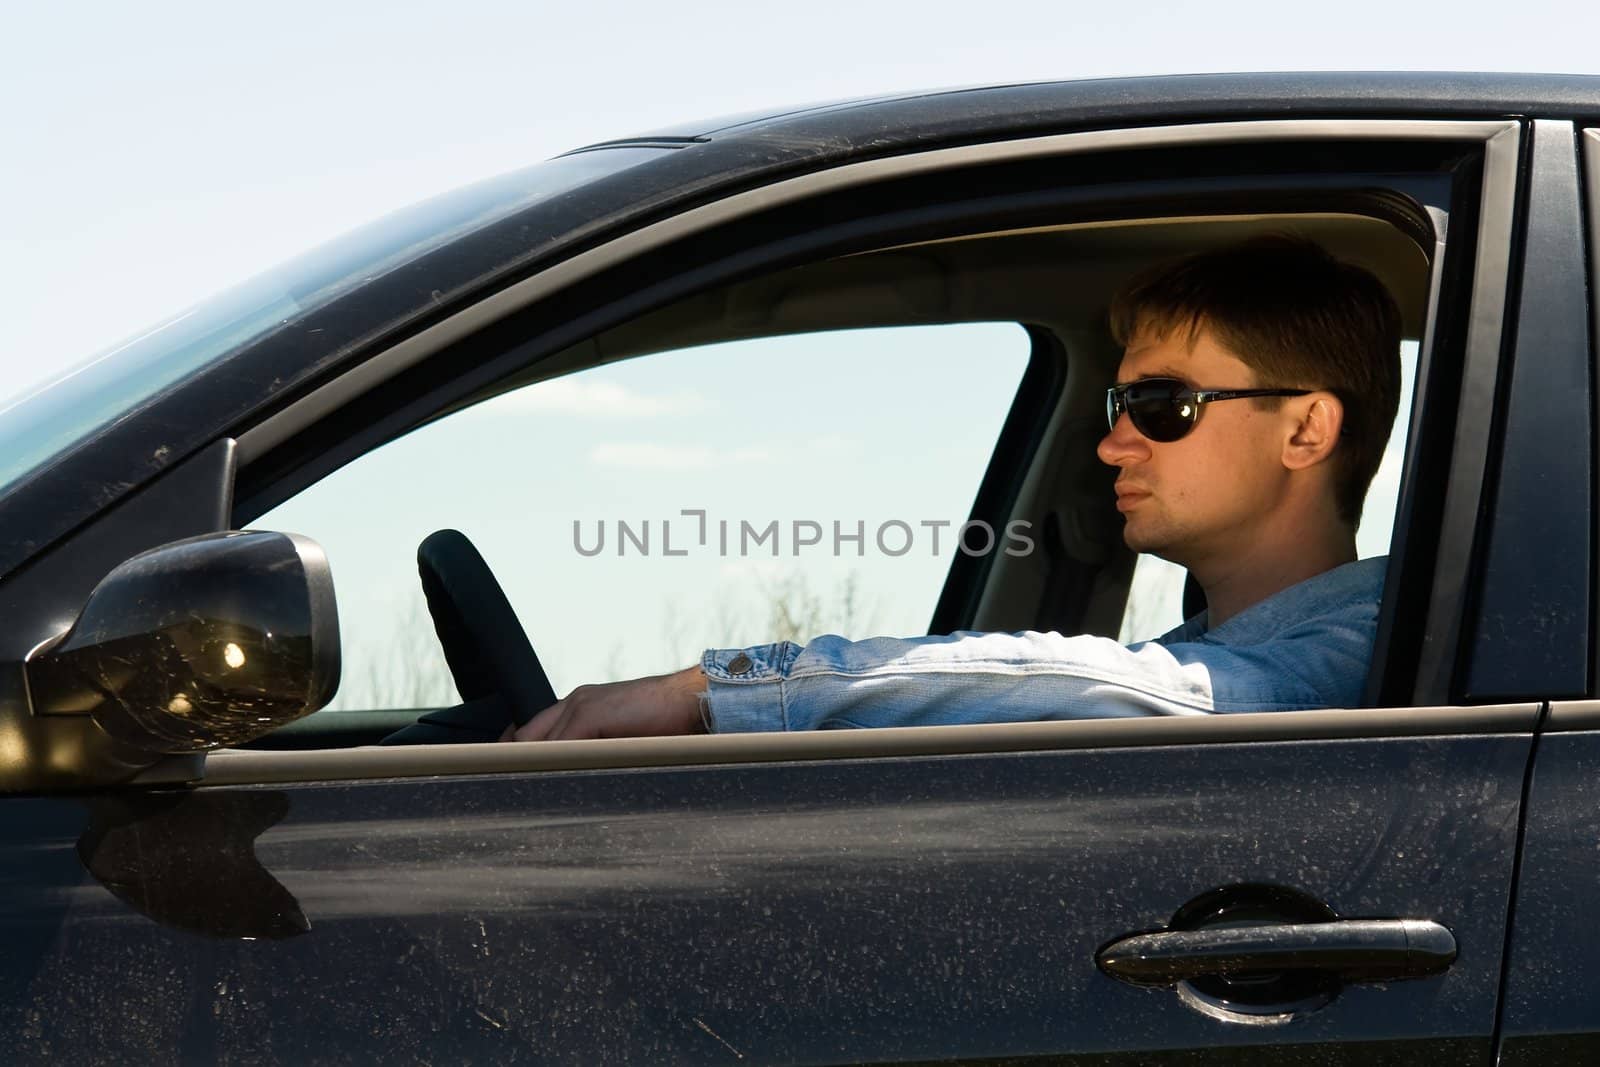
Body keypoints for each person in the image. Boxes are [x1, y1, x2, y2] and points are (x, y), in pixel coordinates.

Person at [503, 234, 1403, 742]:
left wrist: (715, 687)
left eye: (1163, 404)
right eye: (1117, 402)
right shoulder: (1233, 649)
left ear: (1306, 430)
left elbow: (1136, 688)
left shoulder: (1364, 655)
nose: (1111, 442)